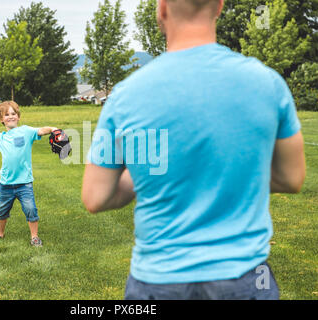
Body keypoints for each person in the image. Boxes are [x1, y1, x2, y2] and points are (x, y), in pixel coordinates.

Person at [82, 0, 305, 299]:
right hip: (245, 280)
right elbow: (291, 178)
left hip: (157, 282)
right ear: (219, 7)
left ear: (162, 9)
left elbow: (96, 197)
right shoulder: (268, 83)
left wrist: (149, 172)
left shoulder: (125, 95)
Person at [0, 100, 58, 247]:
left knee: (31, 209)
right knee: (1, 211)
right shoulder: (0, 137)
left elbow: (40, 130)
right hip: (6, 184)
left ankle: (34, 237)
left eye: (13, 113)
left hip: (24, 183)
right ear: (2, 119)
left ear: (18, 116)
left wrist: (52, 128)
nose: (10, 116)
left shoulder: (26, 131)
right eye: (6, 115)